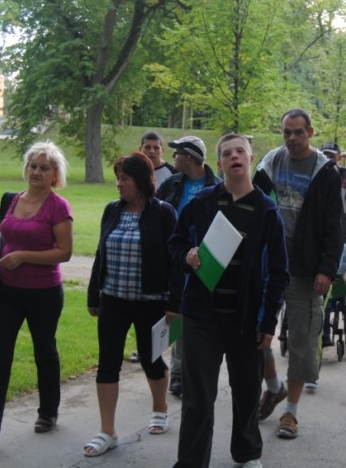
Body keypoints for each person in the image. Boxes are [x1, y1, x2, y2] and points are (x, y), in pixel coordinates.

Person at [168, 134, 289, 468]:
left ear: (250, 159)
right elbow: (175, 243)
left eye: (240, 151)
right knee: (197, 398)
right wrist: (187, 255)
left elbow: (279, 272)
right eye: (227, 153)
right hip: (201, 316)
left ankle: (247, 452)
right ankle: (191, 462)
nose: (234, 156)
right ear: (219, 163)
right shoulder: (202, 203)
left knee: (247, 391)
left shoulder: (267, 211)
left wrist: (268, 323)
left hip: (245, 319)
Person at [0, 141, 73, 455]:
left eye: (44, 167)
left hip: (44, 293)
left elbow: (64, 252)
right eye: (33, 166)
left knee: (44, 351)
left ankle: (48, 412)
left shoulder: (58, 207)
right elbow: (3, 230)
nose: (37, 172)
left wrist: (24, 256)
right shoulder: (13, 199)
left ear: (55, 175)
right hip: (6, 291)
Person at [253, 108, 343, 439]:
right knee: (256, 330)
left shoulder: (326, 171)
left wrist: (327, 269)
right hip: (269, 264)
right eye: (287, 132)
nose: (292, 138)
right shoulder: (271, 162)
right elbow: (250, 204)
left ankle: (290, 411)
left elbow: (334, 226)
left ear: (310, 132)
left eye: (298, 132)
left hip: (305, 268)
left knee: (302, 340)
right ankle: (273, 386)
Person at [83, 152, 178, 457]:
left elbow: (175, 260)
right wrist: (94, 294)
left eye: (124, 179)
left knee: (151, 359)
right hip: (113, 300)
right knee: (108, 362)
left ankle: (160, 408)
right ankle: (107, 430)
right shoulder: (112, 210)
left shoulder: (163, 213)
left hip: (151, 301)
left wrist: (175, 302)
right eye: (117, 178)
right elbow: (101, 253)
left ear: (141, 181)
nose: (119, 184)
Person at [156, 134, 221, 395]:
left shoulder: (216, 186)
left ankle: (196, 373)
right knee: (178, 314)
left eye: (178, 153)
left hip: (206, 262)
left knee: (200, 319)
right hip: (177, 257)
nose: (173, 157)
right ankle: (178, 375)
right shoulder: (171, 184)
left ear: (190, 158)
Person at [315, 243, 346, 379]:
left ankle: (324, 334)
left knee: (327, 302)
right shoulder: (316, 246)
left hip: (337, 295)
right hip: (317, 290)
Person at [321, 141, 346, 252]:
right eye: (325, 156)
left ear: (339, 157)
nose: (328, 159)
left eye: (331, 156)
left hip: (343, 223)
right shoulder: (317, 174)